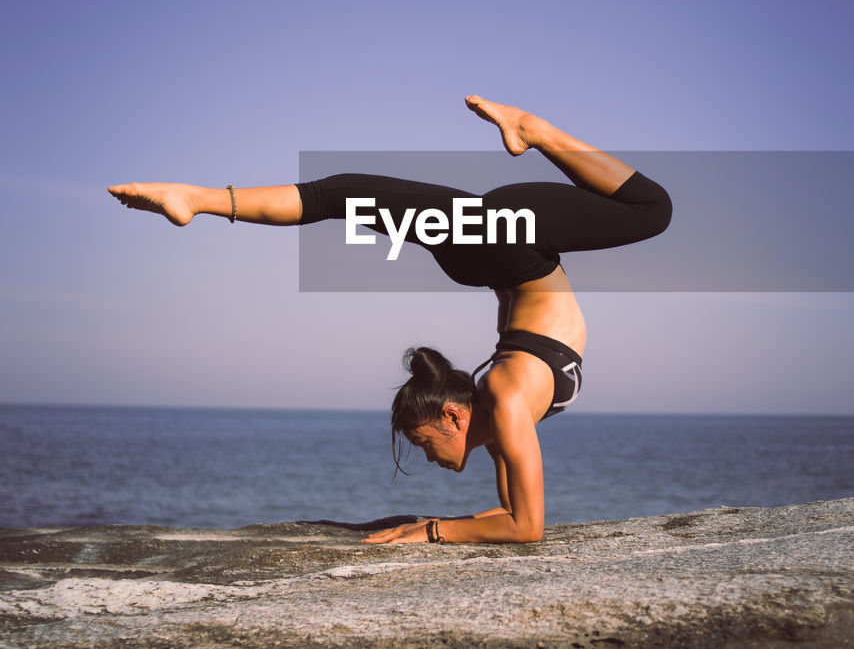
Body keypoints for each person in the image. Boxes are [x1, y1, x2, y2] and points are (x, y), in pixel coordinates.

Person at [109, 96, 671, 545]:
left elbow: (515, 524)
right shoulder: (501, 399)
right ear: (454, 415)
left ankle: (198, 199)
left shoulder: (501, 403)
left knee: (340, 196)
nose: (430, 457)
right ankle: (531, 128)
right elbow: (521, 525)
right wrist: (436, 531)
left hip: (504, 247)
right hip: (507, 245)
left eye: (423, 446)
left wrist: (431, 531)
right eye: (428, 446)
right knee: (652, 210)